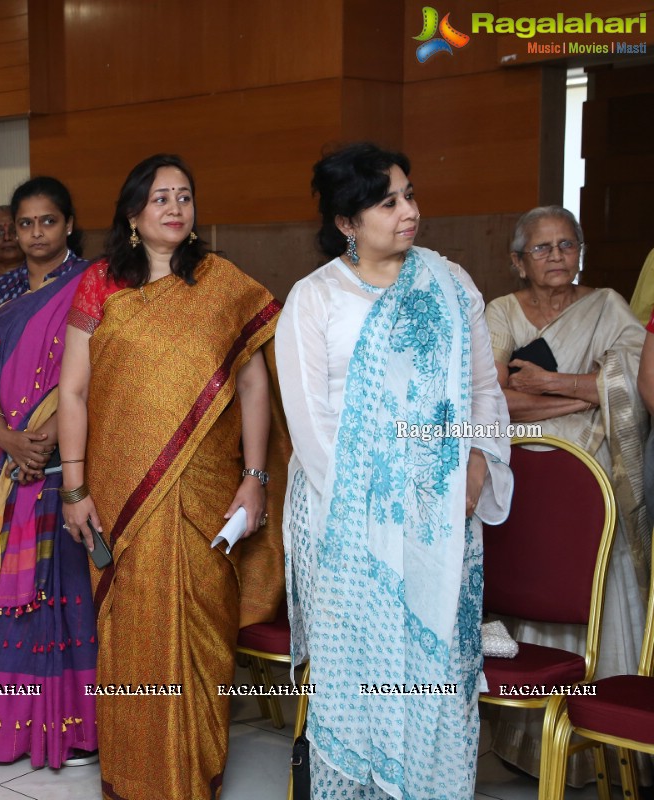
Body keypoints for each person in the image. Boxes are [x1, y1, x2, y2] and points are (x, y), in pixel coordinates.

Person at [276, 142, 513, 799]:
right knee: (360, 672)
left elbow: (483, 390)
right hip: (350, 523)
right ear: (348, 223)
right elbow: (311, 426)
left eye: (409, 195)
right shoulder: (315, 299)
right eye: (389, 202)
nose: (409, 211)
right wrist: (376, 513)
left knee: (433, 672)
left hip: (444, 512)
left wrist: (473, 469)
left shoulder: (450, 282)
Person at [59, 154, 282, 799]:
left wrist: (256, 476)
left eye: (184, 196)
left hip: (210, 491)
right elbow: (73, 392)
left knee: (205, 634)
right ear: (133, 213)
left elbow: (252, 384)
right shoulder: (100, 286)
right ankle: (135, 778)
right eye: (160, 198)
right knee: (131, 634)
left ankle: (197, 773)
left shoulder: (223, 284)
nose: (176, 207)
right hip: (122, 492)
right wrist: (74, 486)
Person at [485, 205, 651, 786]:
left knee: (590, 575)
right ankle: (524, 738)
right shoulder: (501, 312)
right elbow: (492, 398)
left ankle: (605, 739)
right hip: (521, 478)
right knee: (528, 579)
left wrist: (550, 383)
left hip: (591, 479)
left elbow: (634, 389)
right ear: (517, 261)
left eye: (566, 245)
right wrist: (586, 394)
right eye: (542, 248)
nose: (556, 257)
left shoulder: (608, 307)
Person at [0, 177, 98, 767]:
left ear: (69, 224)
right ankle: (20, 730)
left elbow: (107, 369)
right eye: (25, 223)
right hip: (12, 462)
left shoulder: (97, 282)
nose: (36, 233)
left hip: (70, 459)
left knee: (72, 593)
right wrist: (4, 434)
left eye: (48, 221)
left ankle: (79, 731)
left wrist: (49, 436)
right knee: (21, 601)